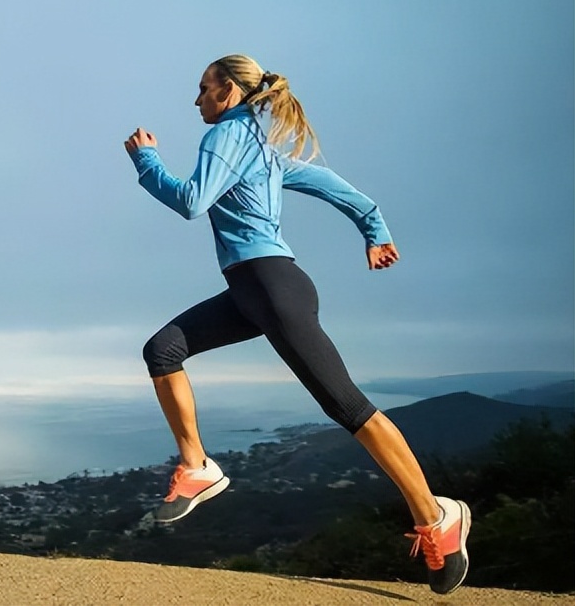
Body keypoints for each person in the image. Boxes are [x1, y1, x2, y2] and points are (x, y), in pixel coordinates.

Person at [123, 54, 471, 595]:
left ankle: (436, 518)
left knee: (349, 407)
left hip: (273, 290)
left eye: (203, 89)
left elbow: (193, 202)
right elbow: (332, 184)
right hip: (253, 291)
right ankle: (197, 466)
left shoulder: (227, 137)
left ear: (231, 92)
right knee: (163, 350)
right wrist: (374, 229)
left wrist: (148, 161)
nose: (196, 100)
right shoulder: (260, 149)